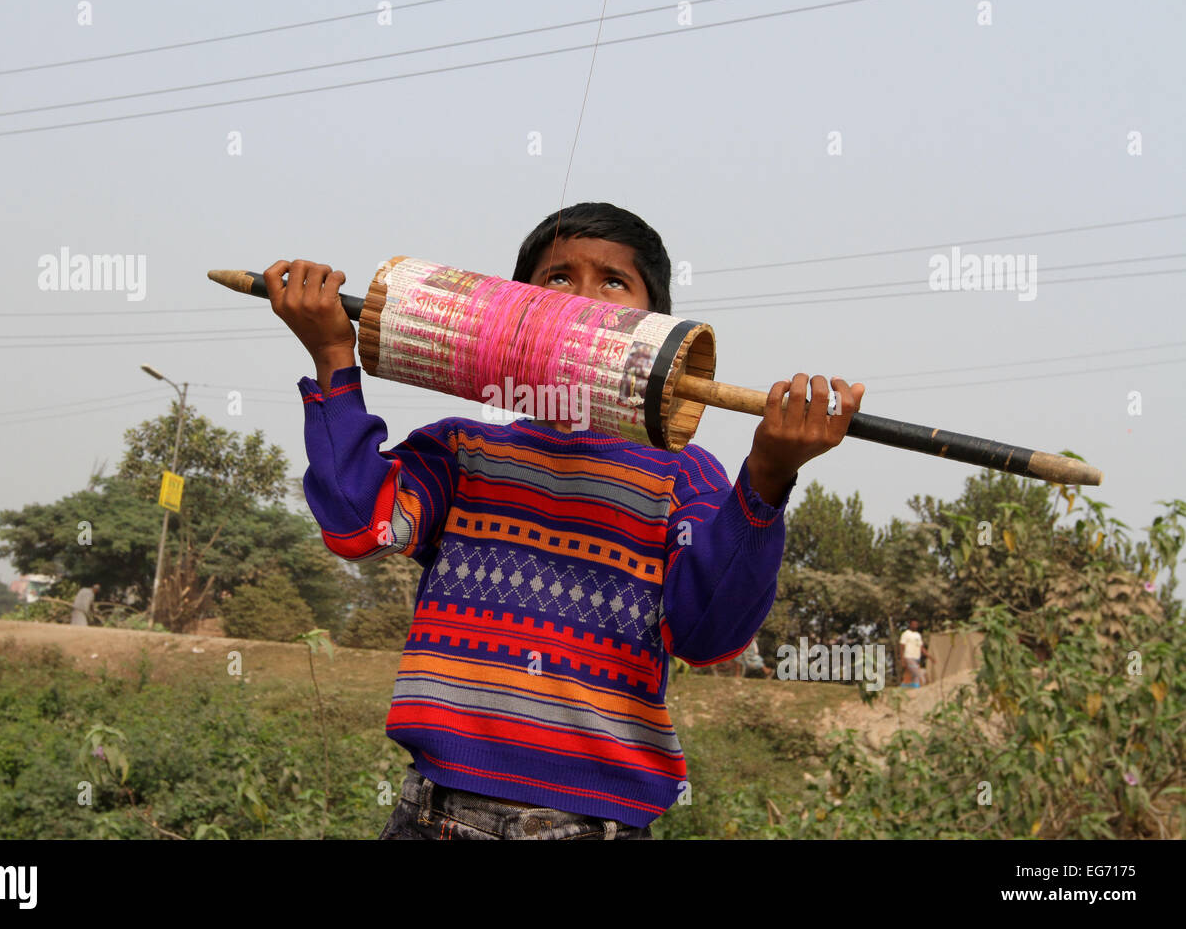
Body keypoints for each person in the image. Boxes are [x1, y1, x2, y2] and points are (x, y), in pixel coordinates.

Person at [268, 202, 865, 839]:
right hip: (432, 816)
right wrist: (334, 355)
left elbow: (709, 636)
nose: (584, 302)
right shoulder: (463, 451)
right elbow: (357, 524)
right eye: (557, 279)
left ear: (652, 324)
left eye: (613, 281)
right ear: (511, 311)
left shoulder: (686, 476)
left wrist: (768, 477)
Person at [898, 618, 935, 687]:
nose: (915, 626)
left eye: (916, 624)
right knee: (920, 675)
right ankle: (922, 687)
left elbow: (921, 648)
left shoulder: (918, 635)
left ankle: (909, 689)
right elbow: (902, 647)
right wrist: (902, 659)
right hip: (909, 657)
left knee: (915, 678)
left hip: (917, 658)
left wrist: (930, 657)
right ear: (910, 625)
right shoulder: (906, 634)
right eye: (913, 624)